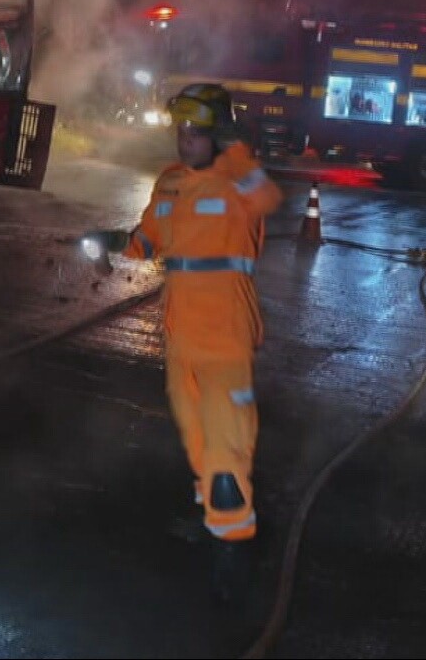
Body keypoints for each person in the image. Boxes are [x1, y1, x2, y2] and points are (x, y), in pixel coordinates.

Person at [84, 83, 282, 604]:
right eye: (181, 130)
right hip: (180, 335)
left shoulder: (238, 181)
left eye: (197, 131)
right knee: (197, 437)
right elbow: (149, 239)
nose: (185, 139)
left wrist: (234, 149)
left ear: (219, 134)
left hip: (226, 332)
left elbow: (267, 198)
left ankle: (233, 547)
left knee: (226, 442)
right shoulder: (170, 182)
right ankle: (217, 520)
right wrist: (110, 242)